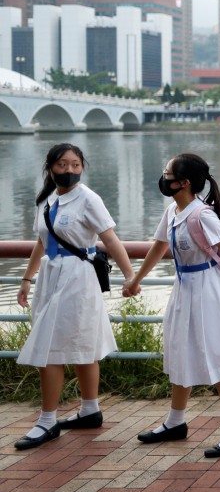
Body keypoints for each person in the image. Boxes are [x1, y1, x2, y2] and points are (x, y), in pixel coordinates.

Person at [124, 153, 220, 458]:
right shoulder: (172, 212)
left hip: (207, 290)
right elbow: (158, 248)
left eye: (168, 174)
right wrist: (136, 279)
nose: (163, 178)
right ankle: (175, 422)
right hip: (183, 287)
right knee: (180, 350)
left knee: (217, 355)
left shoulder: (201, 215)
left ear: (184, 183)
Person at [14, 143, 135, 451]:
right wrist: (27, 279)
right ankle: (90, 410)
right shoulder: (47, 200)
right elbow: (40, 243)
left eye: (75, 164)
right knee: (79, 345)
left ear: (82, 167)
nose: (69, 170)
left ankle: (47, 420)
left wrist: (131, 276)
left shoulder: (89, 199)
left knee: (55, 348)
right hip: (51, 277)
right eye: (62, 165)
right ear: (50, 167)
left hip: (78, 278)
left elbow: (110, 238)